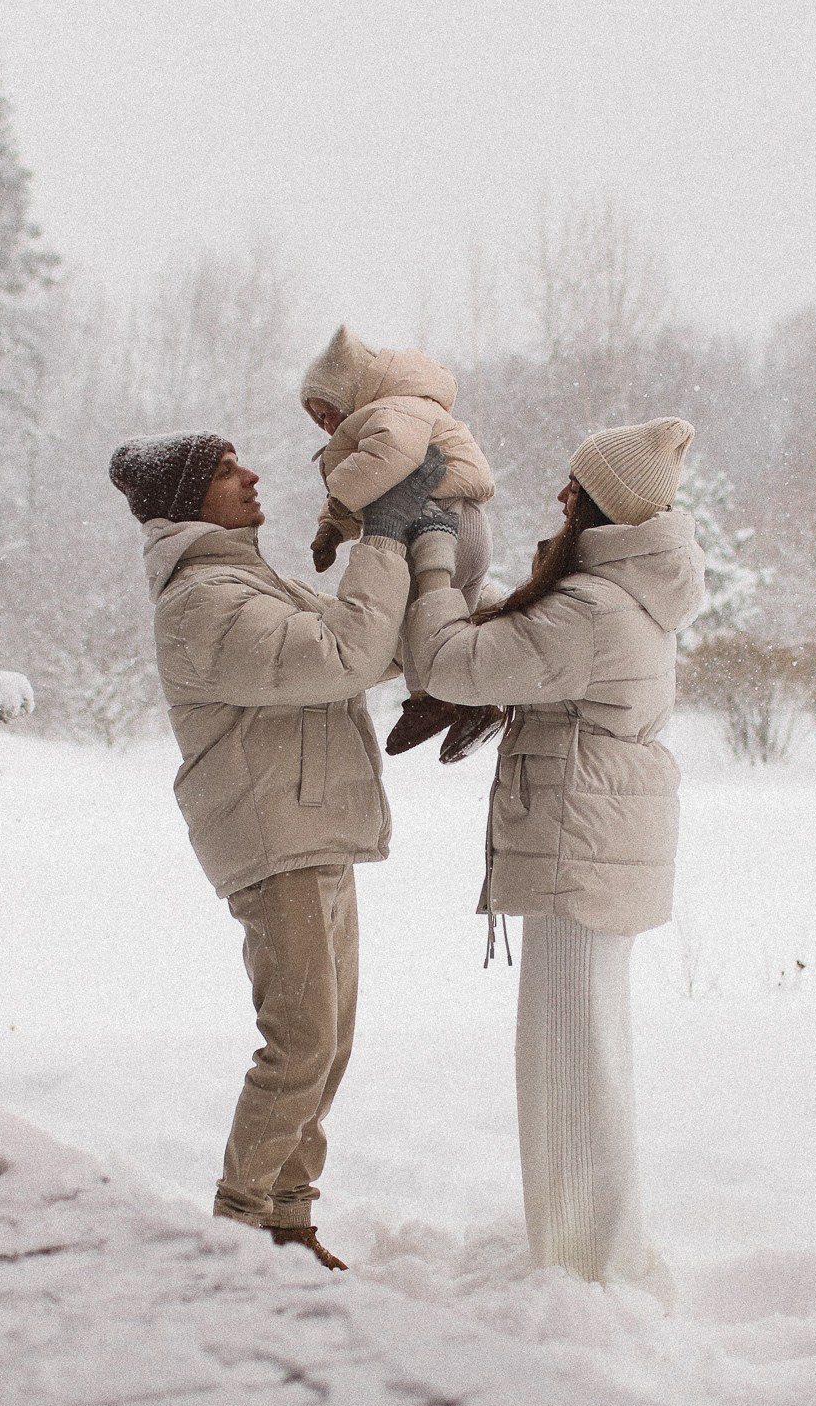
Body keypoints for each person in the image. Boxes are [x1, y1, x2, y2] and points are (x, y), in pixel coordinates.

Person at [110, 430, 449, 1271]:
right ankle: (234, 1233)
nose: (251, 475)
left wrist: (429, 553)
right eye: (227, 472)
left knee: (326, 1045)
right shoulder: (203, 603)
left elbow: (367, 642)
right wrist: (382, 536)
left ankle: (287, 1221)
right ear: (187, 499)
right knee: (299, 1042)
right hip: (275, 840)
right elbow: (342, 655)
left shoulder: (249, 583)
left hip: (313, 827)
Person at [399, 417, 703, 1299]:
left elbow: (451, 662)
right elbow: (518, 646)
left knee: (567, 1059)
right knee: (587, 1052)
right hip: (600, 843)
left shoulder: (591, 610)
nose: (562, 496)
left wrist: (430, 558)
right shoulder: (621, 595)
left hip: (581, 846)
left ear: (605, 505)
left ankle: (586, 1271)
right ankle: (595, 1254)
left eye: (578, 486)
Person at [298, 325, 506, 763]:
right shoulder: (406, 408)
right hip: (465, 527)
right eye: (318, 420)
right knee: (452, 627)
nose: (327, 424)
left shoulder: (394, 410)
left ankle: (429, 700)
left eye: (329, 411)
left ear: (350, 390)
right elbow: (378, 486)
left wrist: (339, 499)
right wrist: (332, 528)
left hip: (441, 526)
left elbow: (387, 463)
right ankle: (474, 700)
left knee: (414, 616)